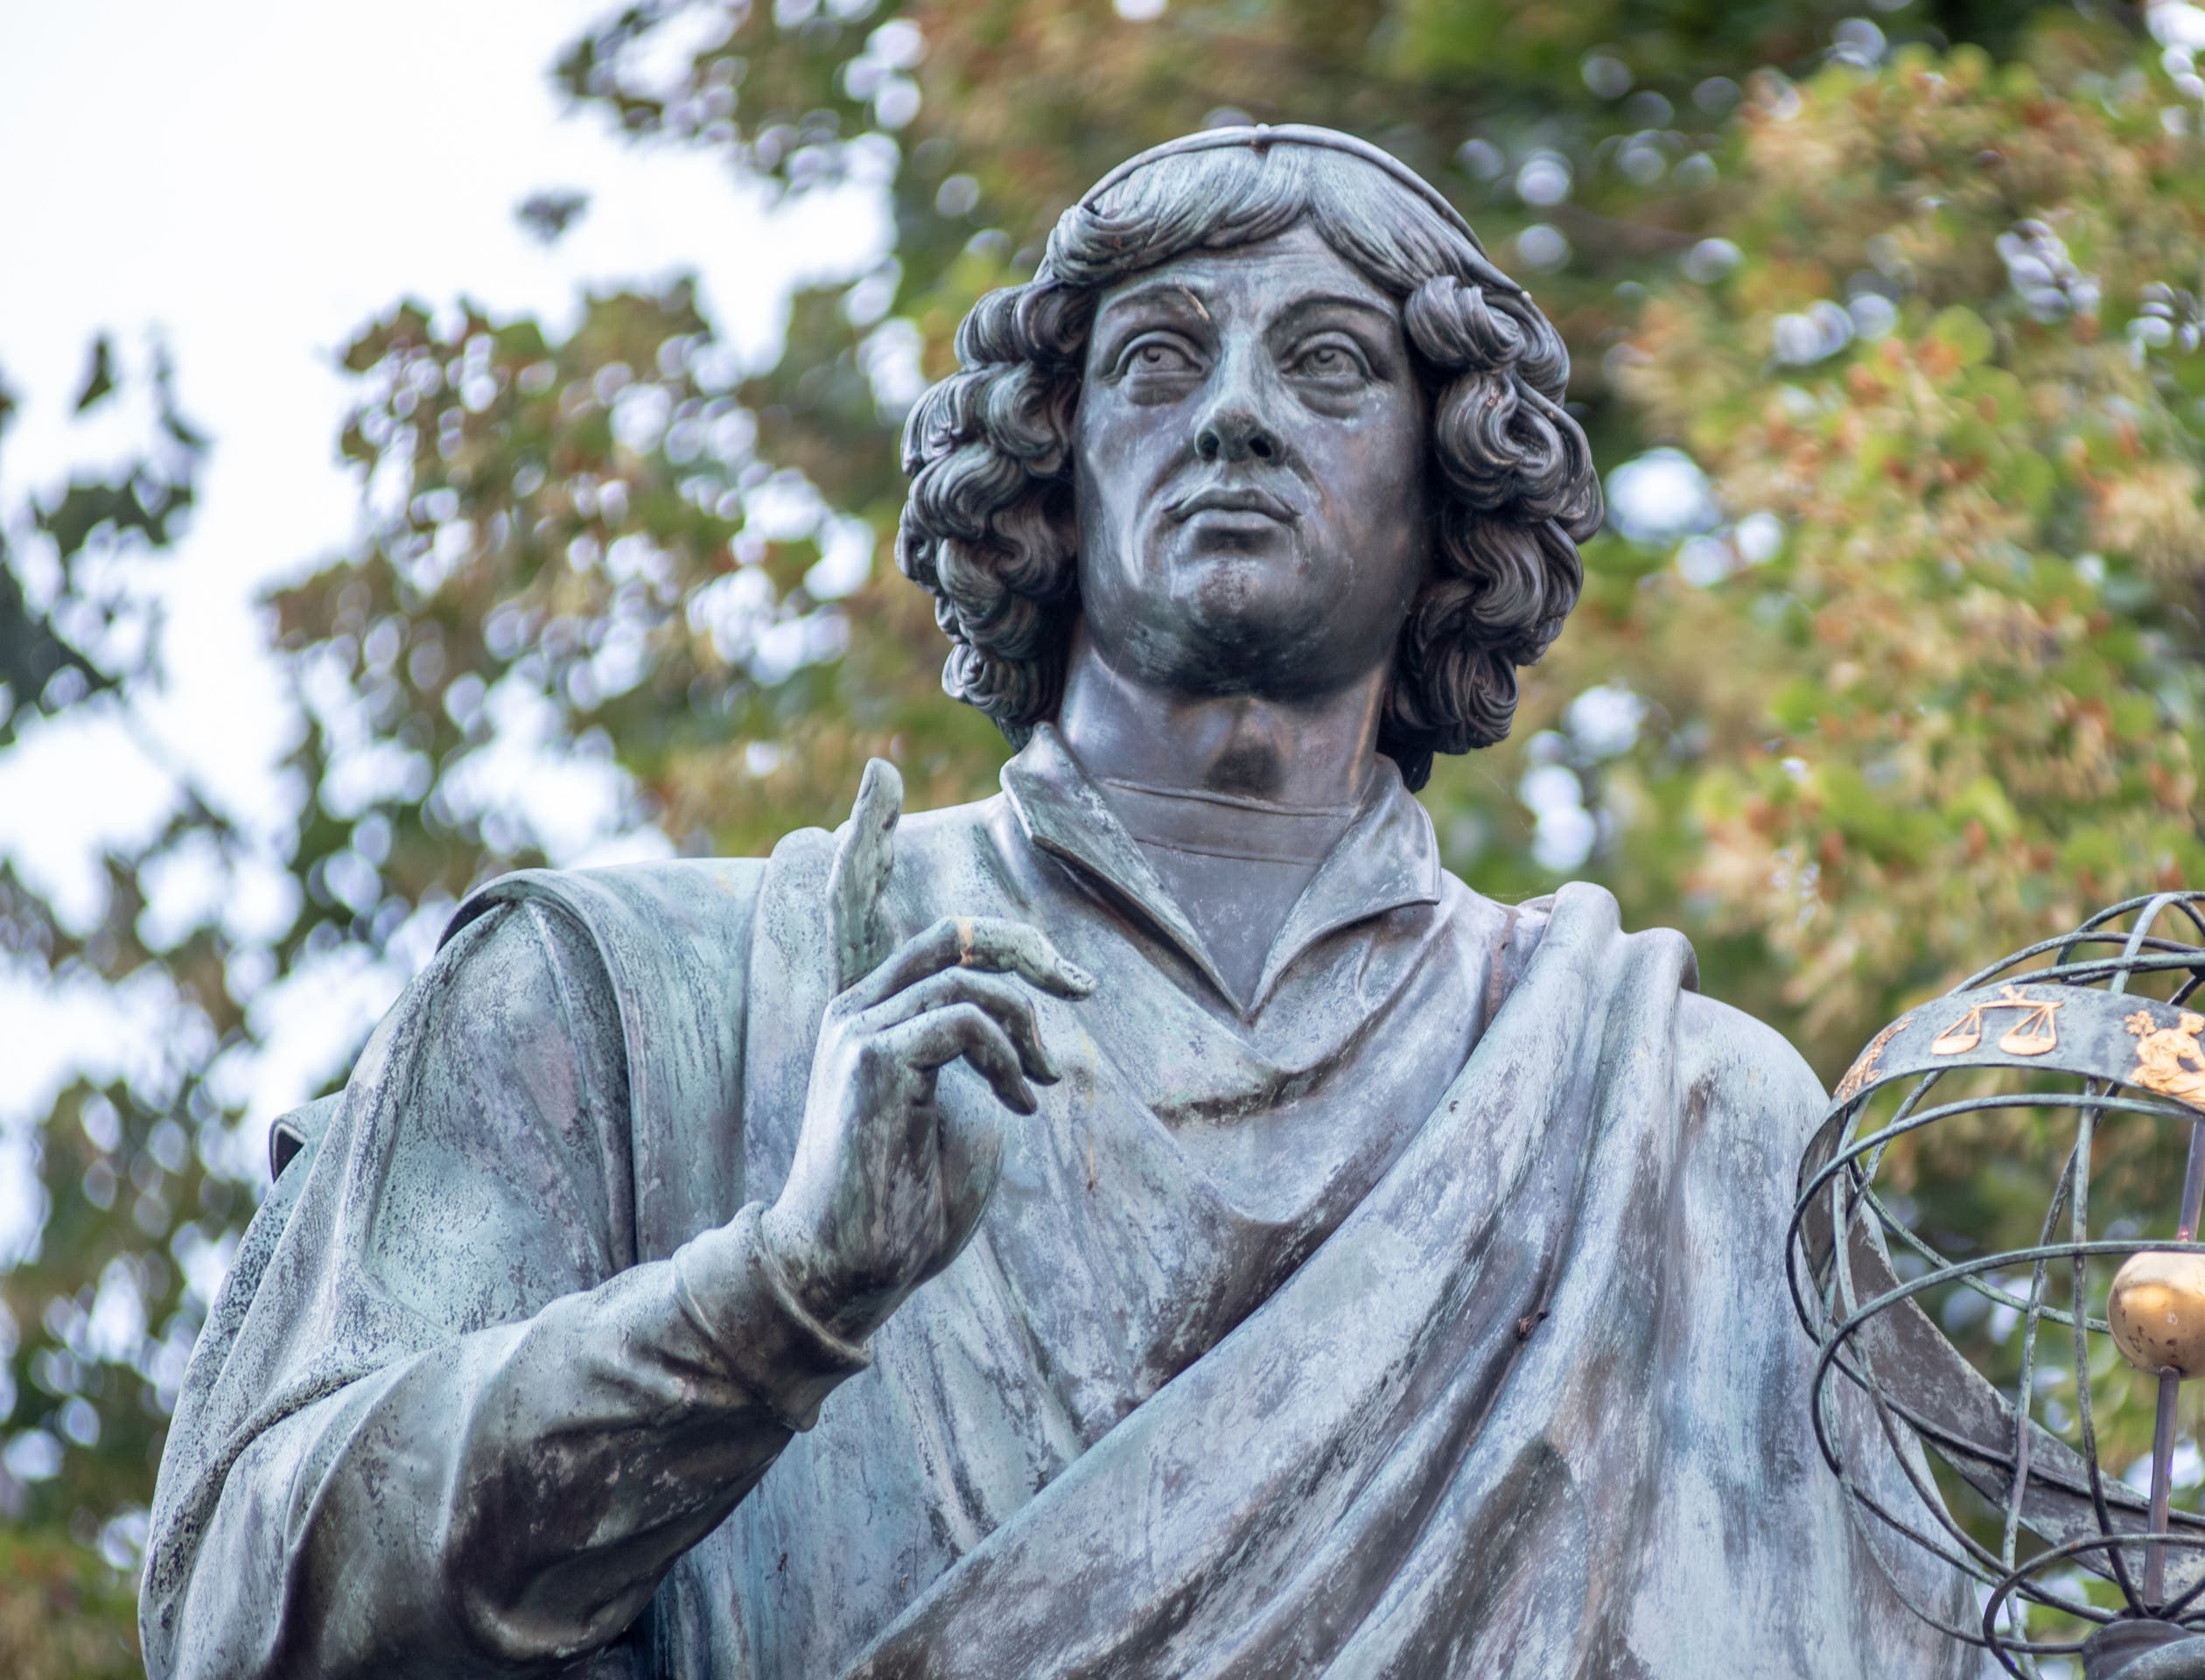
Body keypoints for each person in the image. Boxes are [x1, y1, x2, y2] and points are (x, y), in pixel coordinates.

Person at [143, 126, 1973, 1680]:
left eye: (1332, 366)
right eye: (1160, 364)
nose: (1240, 413)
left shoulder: (1688, 1124)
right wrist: (773, 1299)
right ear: (1056, 482)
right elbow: (246, 1605)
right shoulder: (634, 997)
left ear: (1452, 495)